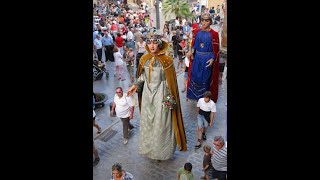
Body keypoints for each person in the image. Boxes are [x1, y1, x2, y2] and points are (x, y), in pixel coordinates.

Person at [126, 30, 187, 160]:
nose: (152, 45)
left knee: (162, 124)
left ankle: (161, 153)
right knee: (148, 123)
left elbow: (171, 83)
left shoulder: (167, 60)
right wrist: (135, 86)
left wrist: (169, 100)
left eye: (155, 43)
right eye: (149, 43)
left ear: (159, 44)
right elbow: (142, 76)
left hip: (162, 95)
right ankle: (150, 150)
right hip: (148, 96)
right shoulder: (144, 59)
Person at [187, 13, 220, 102]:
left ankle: (204, 99)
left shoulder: (214, 34)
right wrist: (191, 51)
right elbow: (194, 45)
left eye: (207, 20)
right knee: (195, 77)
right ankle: (195, 97)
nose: (204, 22)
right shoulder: (196, 32)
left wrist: (213, 58)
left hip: (207, 59)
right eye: (202, 20)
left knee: (205, 79)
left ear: (210, 22)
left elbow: (216, 50)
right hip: (197, 59)